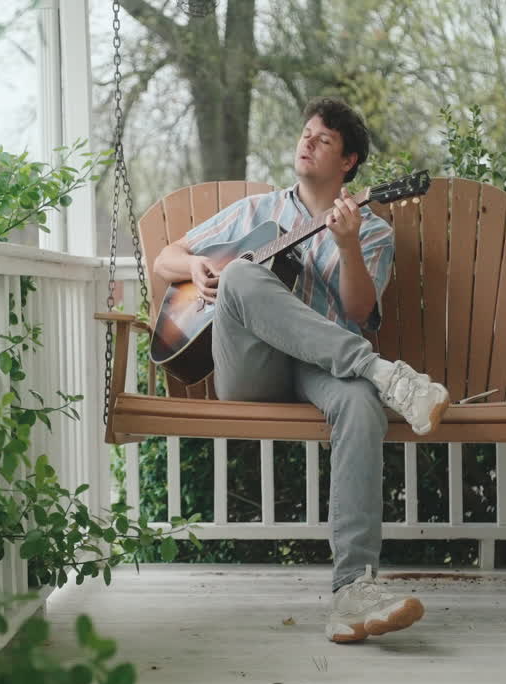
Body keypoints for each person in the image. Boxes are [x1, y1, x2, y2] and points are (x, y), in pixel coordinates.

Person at [151, 97, 448, 643]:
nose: (307, 142)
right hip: (252, 370)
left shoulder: (373, 230)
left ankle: (353, 591)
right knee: (239, 275)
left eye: (324, 139)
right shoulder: (256, 212)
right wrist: (196, 265)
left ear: (349, 161)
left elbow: (359, 312)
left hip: (321, 369)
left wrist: (348, 245)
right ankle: (386, 374)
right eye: (306, 133)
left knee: (360, 404)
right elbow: (164, 258)